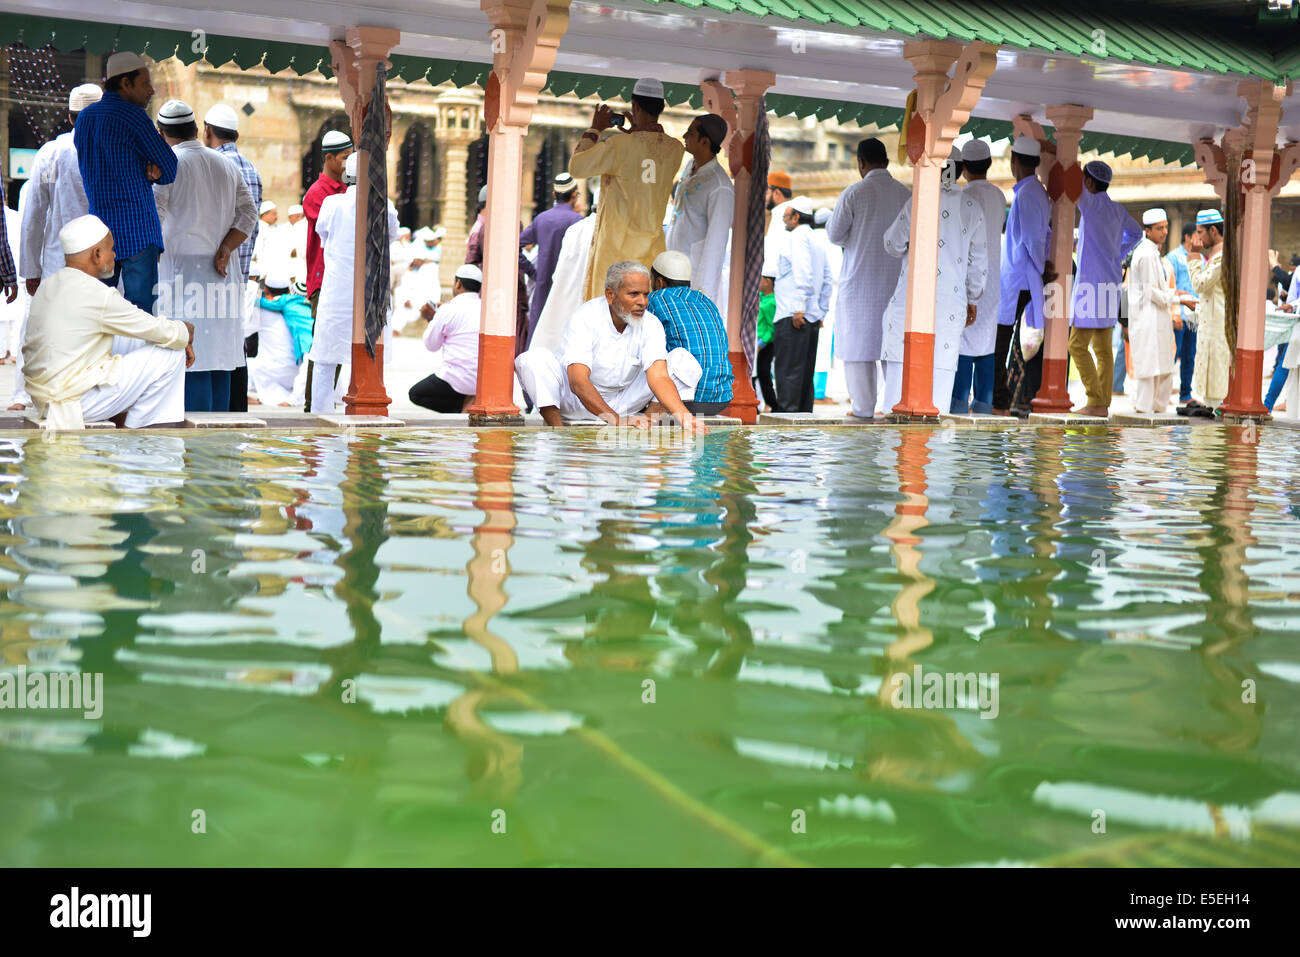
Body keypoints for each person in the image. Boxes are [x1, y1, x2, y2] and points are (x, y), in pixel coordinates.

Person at [23, 215, 194, 430]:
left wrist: (174, 336)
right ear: (96, 254)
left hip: (46, 400)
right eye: (111, 249)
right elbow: (153, 327)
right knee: (171, 354)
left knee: (141, 339)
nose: (115, 254)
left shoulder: (49, 285)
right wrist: (184, 331)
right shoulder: (95, 293)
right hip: (73, 402)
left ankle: (129, 423)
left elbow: (145, 329)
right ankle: (142, 442)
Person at [514, 261, 706, 432]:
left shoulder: (651, 324)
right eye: (634, 294)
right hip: (575, 401)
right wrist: (614, 420)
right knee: (531, 359)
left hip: (623, 402)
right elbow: (577, 381)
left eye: (646, 294)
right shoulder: (586, 317)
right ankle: (557, 430)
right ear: (610, 295)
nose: (642, 302)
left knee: (683, 360)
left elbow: (659, 376)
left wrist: (685, 416)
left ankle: (645, 426)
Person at [151, 99, 256, 412]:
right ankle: (218, 450)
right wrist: (226, 246)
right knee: (220, 358)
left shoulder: (169, 164)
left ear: (161, 133)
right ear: (197, 129)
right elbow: (249, 212)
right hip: (221, 276)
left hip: (181, 275)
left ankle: (195, 454)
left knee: (190, 356)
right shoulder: (225, 164)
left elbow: (154, 217)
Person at [880, 146, 987, 415]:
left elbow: (892, 243)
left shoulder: (918, 200)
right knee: (938, 397)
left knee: (897, 392)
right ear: (961, 170)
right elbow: (978, 264)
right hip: (951, 308)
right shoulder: (973, 208)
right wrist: (972, 299)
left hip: (911, 305)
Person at [74, 51, 178, 313]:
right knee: (139, 316)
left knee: (99, 314)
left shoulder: (85, 119)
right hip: (137, 232)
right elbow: (169, 168)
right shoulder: (134, 117)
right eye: (145, 84)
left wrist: (141, 166)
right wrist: (148, 169)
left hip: (99, 234)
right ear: (125, 83)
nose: (151, 90)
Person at [569, 78, 684, 301]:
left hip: (617, 252)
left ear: (635, 106)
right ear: (661, 107)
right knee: (643, 313)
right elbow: (646, 155)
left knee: (611, 317)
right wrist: (637, 132)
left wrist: (595, 129)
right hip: (652, 253)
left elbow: (577, 167)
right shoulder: (675, 149)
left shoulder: (620, 146)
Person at [307, 152, 400, 415]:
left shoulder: (332, 204)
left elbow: (322, 234)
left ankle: (320, 414)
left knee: (326, 356)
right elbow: (392, 236)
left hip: (337, 290)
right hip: (371, 293)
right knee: (369, 354)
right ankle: (368, 406)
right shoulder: (385, 206)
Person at [826, 137, 911, 419]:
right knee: (893, 350)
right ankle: (891, 408)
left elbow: (835, 234)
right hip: (896, 283)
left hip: (860, 283)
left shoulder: (854, 193)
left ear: (860, 163)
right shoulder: (906, 194)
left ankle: (862, 409)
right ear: (886, 162)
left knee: (859, 348)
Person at [1067, 160, 1142, 416]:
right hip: (1110, 282)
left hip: (1091, 284)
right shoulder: (1118, 210)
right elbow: (1137, 234)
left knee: (1076, 345)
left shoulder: (1088, 203)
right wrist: (1116, 253)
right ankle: (1103, 404)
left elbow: (1072, 183)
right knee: (1102, 348)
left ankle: (1095, 400)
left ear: (1089, 183)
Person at [19, 83, 101, 300]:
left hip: (59, 265)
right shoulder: (118, 152)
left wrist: (31, 270)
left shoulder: (51, 155)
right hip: (104, 269)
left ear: (70, 117)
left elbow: (34, 215)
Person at [995, 136, 1053, 415]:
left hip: (1020, 278)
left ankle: (1000, 401)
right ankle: (1010, 398)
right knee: (1009, 339)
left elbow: (1032, 239)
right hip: (1022, 277)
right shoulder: (1032, 191)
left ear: (1013, 162)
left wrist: (1041, 269)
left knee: (1000, 338)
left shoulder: (1029, 194)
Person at [301, 130, 353, 409]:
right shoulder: (317, 194)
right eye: (345, 158)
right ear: (329, 158)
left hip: (345, 280)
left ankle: (325, 403)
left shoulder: (347, 191)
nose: (348, 164)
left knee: (341, 346)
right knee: (324, 346)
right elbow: (337, 232)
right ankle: (314, 407)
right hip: (325, 280)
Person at [647, 250, 733, 415]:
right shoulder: (706, 300)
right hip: (721, 397)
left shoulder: (655, 299)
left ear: (659, 281)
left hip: (683, 399)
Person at [952, 138, 1003, 414]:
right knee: (986, 343)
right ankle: (984, 407)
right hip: (994, 281)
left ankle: (958, 406)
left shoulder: (963, 198)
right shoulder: (998, 195)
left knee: (964, 342)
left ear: (963, 169)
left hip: (969, 279)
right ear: (990, 164)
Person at [666, 114, 733, 309]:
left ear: (705, 141)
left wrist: (702, 296)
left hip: (692, 279)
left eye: (691, 132)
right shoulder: (689, 168)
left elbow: (716, 243)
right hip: (671, 269)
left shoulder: (720, 186)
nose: (685, 135)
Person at [1125, 209, 1185, 414]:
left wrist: (1175, 293)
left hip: (1155, 318)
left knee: (1162, 366)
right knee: (1150, 369)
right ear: (1148, 231)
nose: (1165, 232)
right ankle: (1145, 411)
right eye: (1160, 228)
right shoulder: (1147, 253)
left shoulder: (1151, 251)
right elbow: (1152, 292)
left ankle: (1155, 409)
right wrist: (1179, 299)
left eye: (1166, 226)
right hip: (1147, 319)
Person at [772, 196, 828, 412]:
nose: (785, 221)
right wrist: (821, 311)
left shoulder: (797, 237)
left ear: (796, 217)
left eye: (786, 217)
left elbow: (803, 273)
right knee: (805, 373)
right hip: (811, 316)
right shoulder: (817, 239)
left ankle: (788, 426)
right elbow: (827, 277)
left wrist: (799, 309)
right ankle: (802, 427)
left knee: (788, 373)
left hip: (793, 315)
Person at [409, 264, 483, 413]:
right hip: (483, 381)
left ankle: (462, 408)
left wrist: (432, 319)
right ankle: (470, 400)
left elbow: (431, 345)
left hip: (456, 380)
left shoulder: (447, 309)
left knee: (416, 394)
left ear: (458, 283)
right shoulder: (485, 308)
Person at [520, 173, 584, 344]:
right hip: (568, 287)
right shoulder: (578, 221)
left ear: (555, 195)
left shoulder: (542, 219)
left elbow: (515, 245)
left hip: (543, 288)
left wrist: (534, 272)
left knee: (538, 337)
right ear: (574, 194)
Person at [248, 274, 312, 407]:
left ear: (266, 290)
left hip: (275, 371)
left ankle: (287, 400)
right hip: (298, 366)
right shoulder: (301, 304)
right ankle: (293, 397)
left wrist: (251, 298)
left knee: (249, 365)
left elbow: (246, 329)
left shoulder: (273, 306)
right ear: (289, 290)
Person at [1188, 208, 1230, 414]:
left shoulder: (1223, 256)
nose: (1197, 238)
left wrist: (1194, 258)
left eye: (1200, 232)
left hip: (1217, 327)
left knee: (1216, 381)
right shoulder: (1215, 255)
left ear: (1213, 230)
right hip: (1209, 325)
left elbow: (1200, 284)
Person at [1166, 223, 1204, 414]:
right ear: (1188, 237)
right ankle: (1163, 393)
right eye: (1197, 234)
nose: (1200, 237)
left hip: (1194, 316)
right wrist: (1174, 312)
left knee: (1190, 355)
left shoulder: (1201, 258)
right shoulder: (1173, 257)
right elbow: (1168, 285)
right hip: (1179, 313)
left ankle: (1185, 394)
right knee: (1173, 354)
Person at [755, 265, 777, 411]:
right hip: (756, 343)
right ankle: (758, 406)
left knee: (763, 374)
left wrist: (760, 344)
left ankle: (773, 405)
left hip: (765, 345)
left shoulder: (772, 302)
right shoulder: (761, 298)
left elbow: (771, 327)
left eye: (761, 279)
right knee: (756, 375)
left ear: (768, 281)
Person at [763, 170, 794, 274]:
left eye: (766, 193)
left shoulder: (783, 216)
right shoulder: (778, 213)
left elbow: (774, 257)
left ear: (776, 193)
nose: (765, 198)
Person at [285, 204, 307, 284]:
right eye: (297, 216)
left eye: (302, 216)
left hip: (300, 269)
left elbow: (295, 252)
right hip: (290, 269)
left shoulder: (302, 226)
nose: (301, 218)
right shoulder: (284, 228)